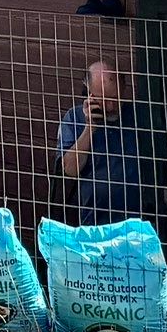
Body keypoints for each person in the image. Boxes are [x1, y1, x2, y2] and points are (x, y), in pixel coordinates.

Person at [55, 58, 146, 225]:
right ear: (89, 94)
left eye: (115, 98)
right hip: (95, 219)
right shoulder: (74, 117)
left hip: (139, 218)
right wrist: (90, 128)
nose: (111, 106)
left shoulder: (139, 115)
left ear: (123, 88)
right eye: (104, 99)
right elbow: (69, 170)